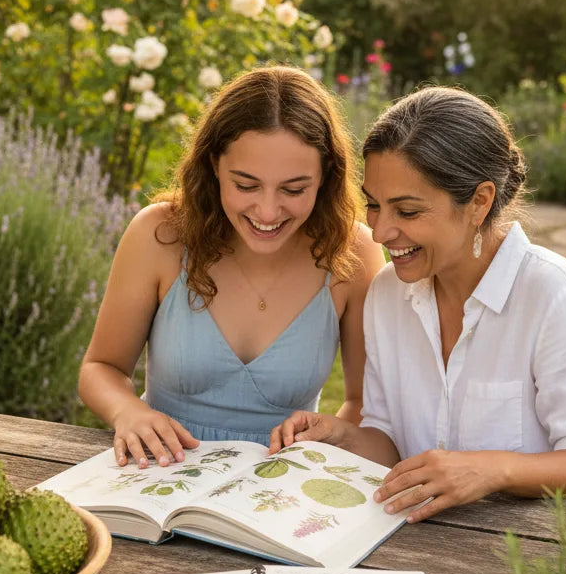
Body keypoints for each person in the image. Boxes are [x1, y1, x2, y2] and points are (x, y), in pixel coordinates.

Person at [269, 86, 566, 522]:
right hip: (419, 543)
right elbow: (388, 441)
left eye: (407, 211)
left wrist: (491, 470)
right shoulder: (388, 293)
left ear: (479, 202)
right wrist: (341, 437)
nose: (380, 232)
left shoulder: (553, 295)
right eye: (373, 205)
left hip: (531, 547)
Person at [78, 65, 386, 469]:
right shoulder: (159, 235)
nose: (268, 211)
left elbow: (363, 404)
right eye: (245, 185)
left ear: (326, 176)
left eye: (294, 189)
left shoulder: (354, 252)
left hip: (279, 487)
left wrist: (325, 444)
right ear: (213, 165)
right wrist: (128, 412)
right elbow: (101, 367)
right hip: (160, 472)